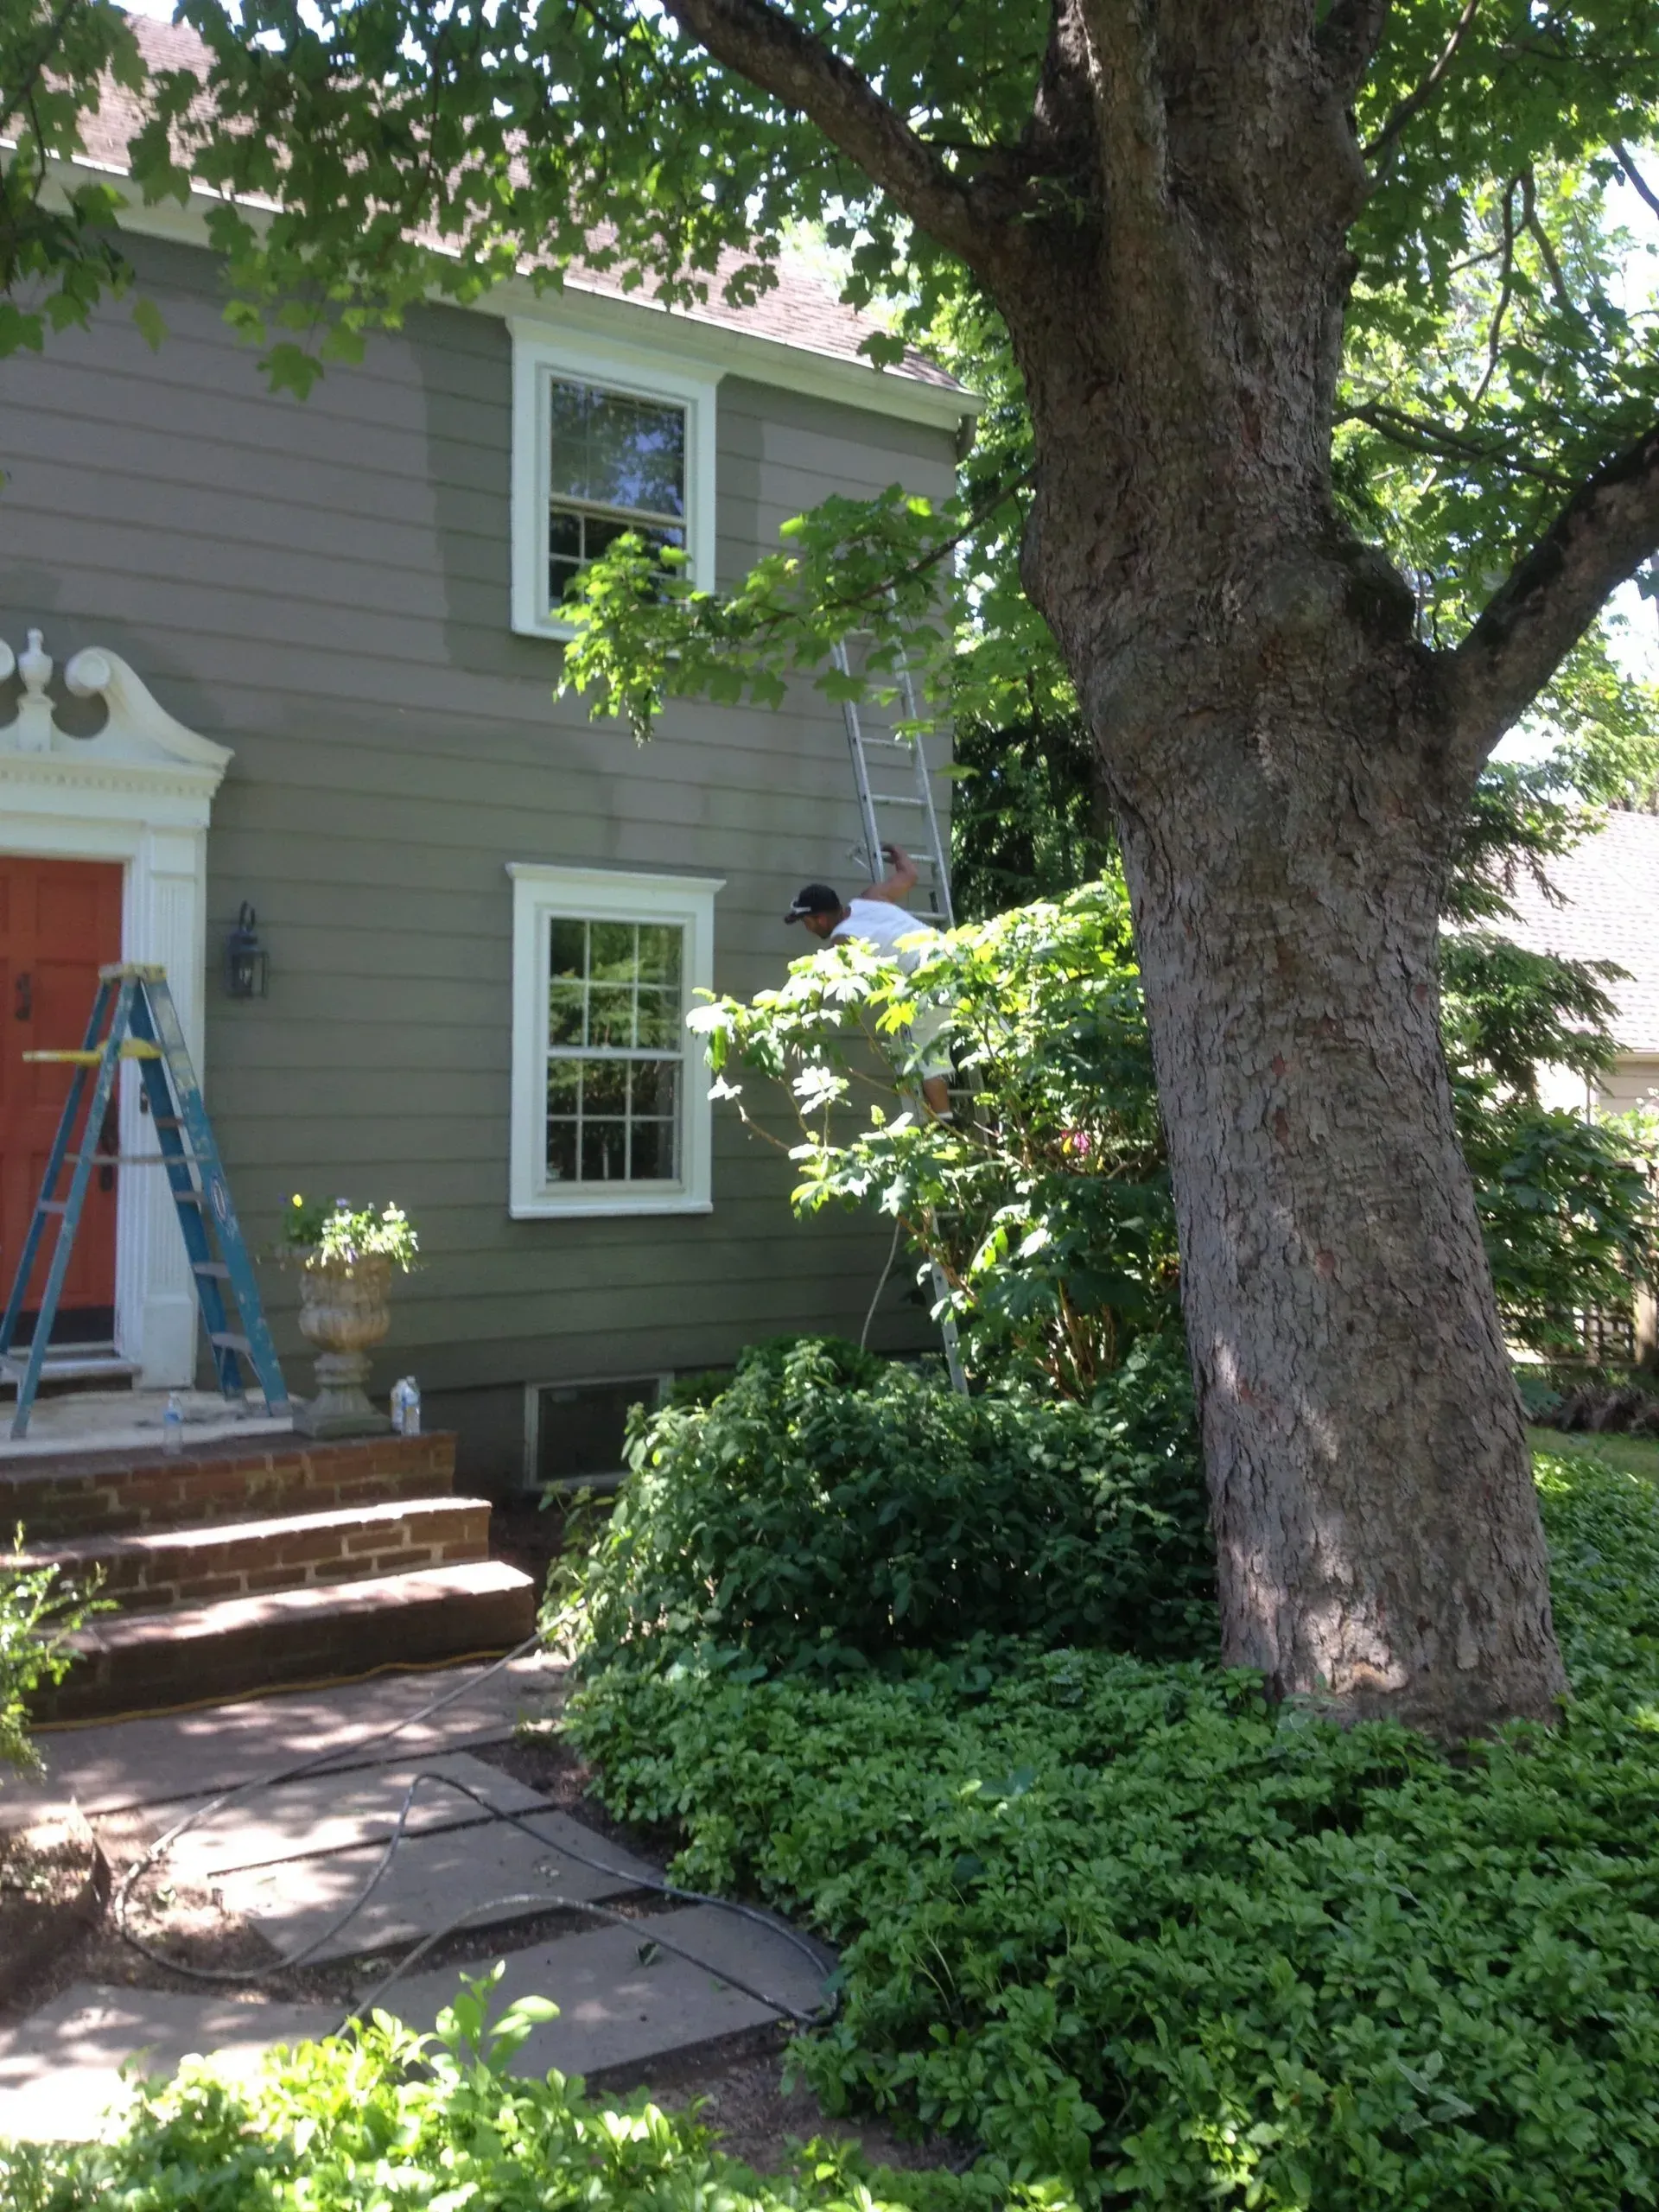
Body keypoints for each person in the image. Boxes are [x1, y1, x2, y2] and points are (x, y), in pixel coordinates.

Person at [784, 845, 952, 1115]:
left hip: (927, 979)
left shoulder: (842, 938)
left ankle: (946, 1129)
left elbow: (825, 981)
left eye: (807, 922)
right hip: (956, 956)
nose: (807, 928)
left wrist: (801, 1019)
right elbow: (909, 875)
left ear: (820, 918)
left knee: (926, 1057)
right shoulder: (871, 898)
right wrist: (897, 853)